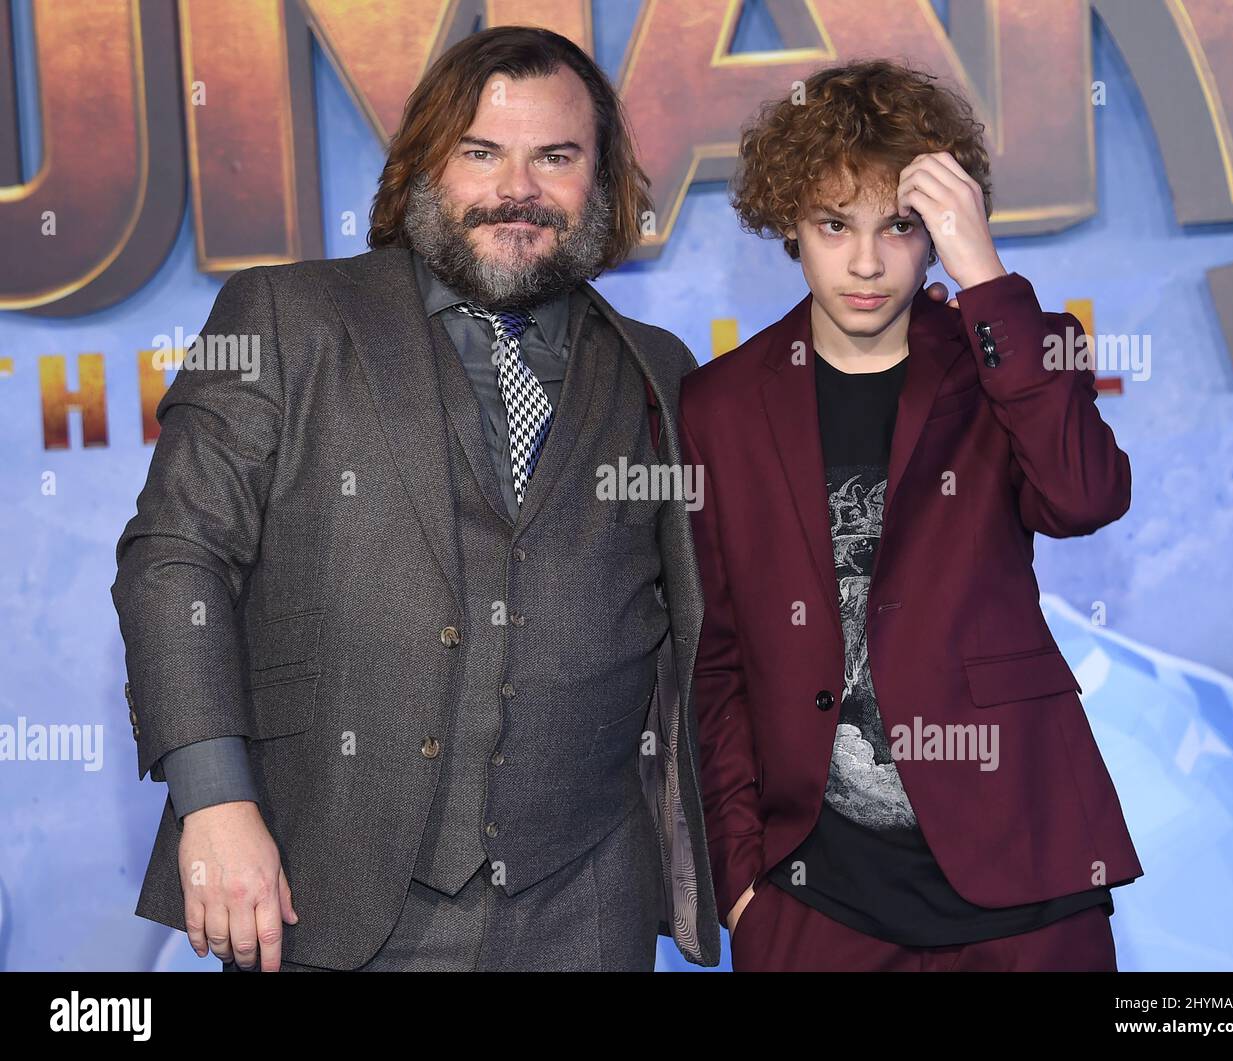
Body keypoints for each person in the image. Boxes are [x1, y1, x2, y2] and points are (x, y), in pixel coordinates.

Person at [112, 25, 719, 972]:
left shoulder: (663, 371)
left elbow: (709, 632)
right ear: (427, 165)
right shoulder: (288, 318)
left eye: (555, 157)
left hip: (587, 909)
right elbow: (173, 560)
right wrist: (217, 804)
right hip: (323, 893)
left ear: (600, 183)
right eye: (482, 153)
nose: (517, 188)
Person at [679, 59, 1143, 972]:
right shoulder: (719, 404)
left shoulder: (1011, 352)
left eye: (899, 226)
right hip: (821, 901)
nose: (864, 262)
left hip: (1025, 875)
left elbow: (1085, 496)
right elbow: (717, 654)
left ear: (936, 231)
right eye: (832, 224)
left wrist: (985, 277)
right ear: (789, 226)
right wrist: (745, 885)